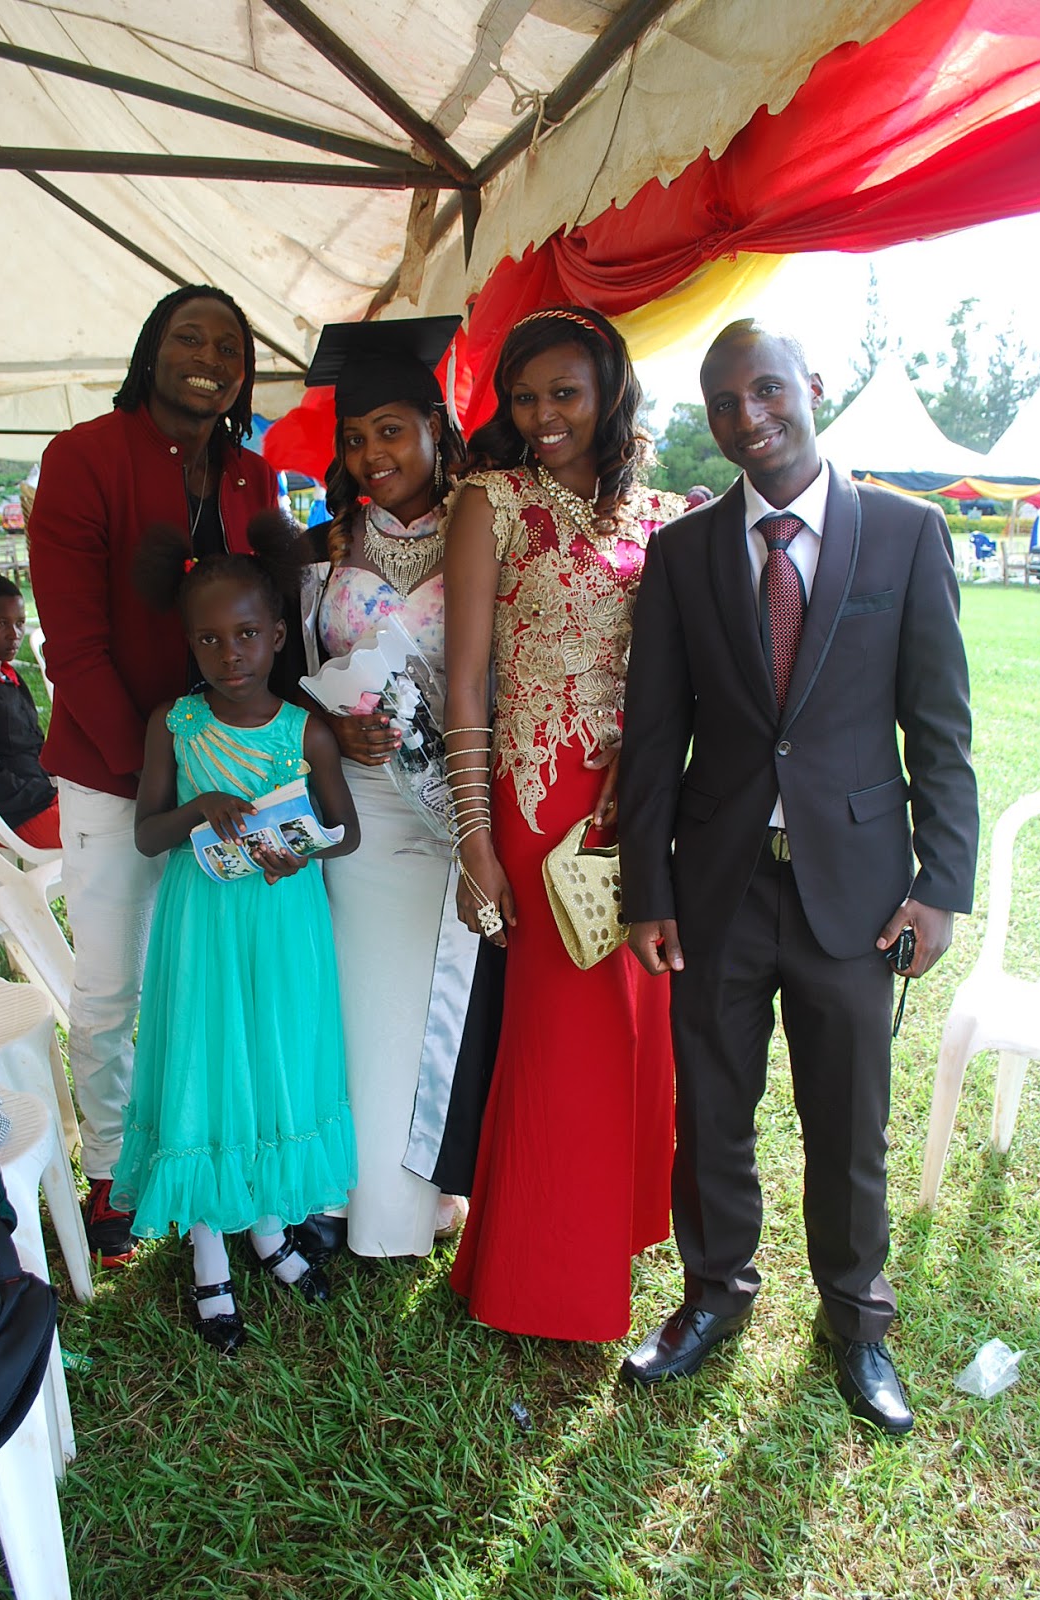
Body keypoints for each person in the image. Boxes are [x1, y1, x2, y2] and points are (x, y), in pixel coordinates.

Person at [618, 319, 979, 1432]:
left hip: (857, 894)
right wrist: (648, 891)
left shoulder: (906, 534)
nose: (749, 417)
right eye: (725, 403)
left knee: (849, 1119)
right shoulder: (683, 552)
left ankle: (857, 1322)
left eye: (767, 390)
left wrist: (941, 885)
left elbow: (940, 730)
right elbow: (654, 736)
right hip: (716, 885)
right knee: (711, 1110)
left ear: (811, 386)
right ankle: (713, 1295)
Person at [443, 304, 687, 1341]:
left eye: (564, 393)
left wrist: (648, 757)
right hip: (536, 795)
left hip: (637, 798)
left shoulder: (666, 514)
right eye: (524, 396)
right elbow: (464, 683)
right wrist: (474, 840)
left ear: (610, 392)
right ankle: (536, 1280)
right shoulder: (491, 501)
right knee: (560, 1032)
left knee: (636, 1020)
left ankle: (607, 1236)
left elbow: (681, 671)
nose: (541, 414)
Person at [28, 286, 278, 1266]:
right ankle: (113, 1173)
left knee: (224, 977)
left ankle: (216, 1153)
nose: (210, 357)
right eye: (189, 337)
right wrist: (157, 782)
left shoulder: (252, 476)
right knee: (113, 986)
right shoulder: (85, 457)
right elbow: (74, 646)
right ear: (150, 351)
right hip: (115, 773)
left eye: (230, 346)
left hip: (237, 776)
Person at [109, 520, 359, 1353]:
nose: (230, 653)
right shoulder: (175, 724)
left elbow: (345, 831)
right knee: (209, 1067)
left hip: (283, 923)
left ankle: (268, 1228)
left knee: (271, 1065)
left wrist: (300, 851)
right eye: (209, 639)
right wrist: (196, 809)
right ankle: (208, 1256)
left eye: (247, 633)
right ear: (188, 643)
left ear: (278, 635)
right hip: (203, 927)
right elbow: (147, 834)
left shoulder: (304, 729)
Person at [301, 317, 502, 1259]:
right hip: (367, 811)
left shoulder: (489, 523)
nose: (370, 454)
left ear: (435, 426)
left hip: (461, 804)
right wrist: (334, 733)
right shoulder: (324, 545)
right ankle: (363, 1202)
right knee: (367, 1005)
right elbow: (287, 678)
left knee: (447, 1005)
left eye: (390, 430)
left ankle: (440, 1190)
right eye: (353, 437)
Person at [0, 573, 60, 848]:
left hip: (41, 796)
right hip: (11, 816)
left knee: (113, 806)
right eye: (1, 623)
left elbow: (36, 742)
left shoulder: (9, 677)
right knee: (107, 829)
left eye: (19, 623)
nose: (14, 634)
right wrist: (49, 792)